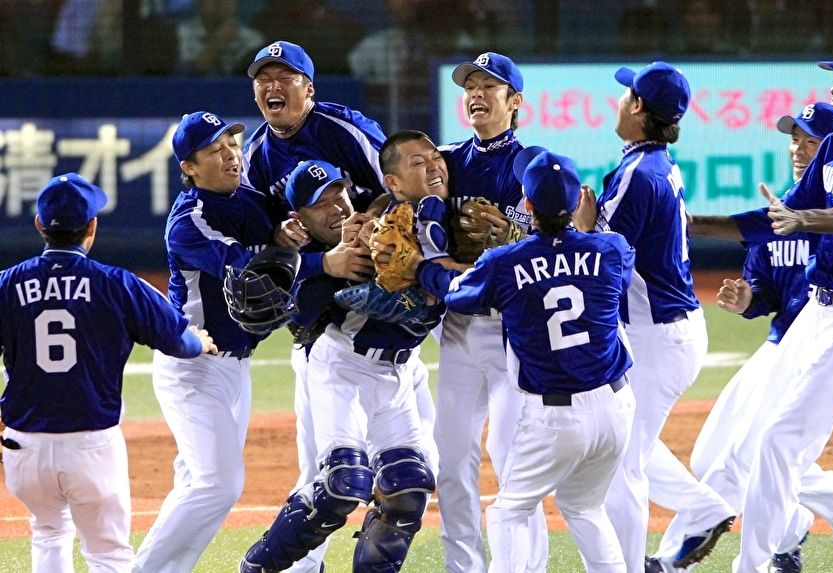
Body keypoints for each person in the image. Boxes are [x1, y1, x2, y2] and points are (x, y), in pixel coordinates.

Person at [688, 39, 833, 572]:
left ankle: (755, 565)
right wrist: (690, 224)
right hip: (816, 312)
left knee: (779, 442)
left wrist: (803, 221)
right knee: (752, 445)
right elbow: (776, 218)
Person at [389, 148, 638, 572]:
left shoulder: (505, 263)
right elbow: (603, 259)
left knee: (508, 511)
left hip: (559, 418)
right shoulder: (612, 248)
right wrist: (584, 228)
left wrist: (419, 268)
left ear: (526, 204)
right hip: (617, 409)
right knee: (584, 507)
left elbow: (457, 293)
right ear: (578, 201)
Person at [647, 102, 833, 572]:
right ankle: (800, 525)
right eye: (794, 139)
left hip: (820, 348)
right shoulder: (783, 207)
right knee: (709, 457)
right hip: (779, 345)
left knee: (741, 458)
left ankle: (673, 556)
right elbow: (766, 287)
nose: (798, 149)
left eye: (811, 141)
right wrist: (748, 297)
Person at [0, 173, 217, 573]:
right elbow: (179, 343)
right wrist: (200, 342)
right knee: (107, 555)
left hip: (24, 447)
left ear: (39, 225)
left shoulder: (6, 284)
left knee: (48, 532)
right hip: (91, 446)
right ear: (92, 227)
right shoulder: (117, 284)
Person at [239, 151, 443, 573]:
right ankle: (260, 567)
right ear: (299, 218)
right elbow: (301, 316)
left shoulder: (387, 224)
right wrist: (332, 268)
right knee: (342, 485)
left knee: (409, 488)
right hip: (341, 368)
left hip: (398, 372)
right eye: (321, 204)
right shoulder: (302, 260)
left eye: (339, 196)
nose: (336, 209)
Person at [574, 61, 735, 571]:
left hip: (656, 337)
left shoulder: (637, 174)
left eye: (627, 94)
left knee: (621, 462)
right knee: (623, 442)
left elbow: (604, 261)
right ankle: (703, 508)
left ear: (639, 107)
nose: (620, 100)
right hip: (664, 330)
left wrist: (583, 229)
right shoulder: (656, 163)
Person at [132, 111, 279, 573]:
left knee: (196, 483)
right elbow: (247, 269)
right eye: (215, 150)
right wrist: (297, 251)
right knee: (219, 483)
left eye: (232, 145)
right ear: (189, 168)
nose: (231, 155)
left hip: (236, 366)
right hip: (193, 365)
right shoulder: (189, 219)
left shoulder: (250, 199)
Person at [436, 51, 549, 573]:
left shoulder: (532, 164)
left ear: (514, 100)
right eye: (470, 87)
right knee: (452, 457)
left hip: (513, 329)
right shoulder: (446, 162)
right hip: (459, 327)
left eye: (489, 86)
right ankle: (464, 567)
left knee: (512, 457)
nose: (476, 95)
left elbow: (555, 237)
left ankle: (528, 567)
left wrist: (515, 238)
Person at [243, 39, 388, 221]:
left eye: (285, 78)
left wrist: (370, 219)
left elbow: (399, 187)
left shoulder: (350, 129)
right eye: (263, 80)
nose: (273, 86)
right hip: (306, 240)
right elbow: (252, 222)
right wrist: (277, 231)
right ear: (254, 94)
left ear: (309, 89)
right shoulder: (253, 156)